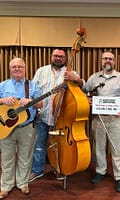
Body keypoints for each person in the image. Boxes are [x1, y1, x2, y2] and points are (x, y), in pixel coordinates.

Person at [0, 58, 42, 199]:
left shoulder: (32, 86)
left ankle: (22, 183)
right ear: (10, 69)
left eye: (20, 66)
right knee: (7, 158)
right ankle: (6, 186)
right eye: (14, 66)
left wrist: (31, 102)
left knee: (25, 157)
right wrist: (2, 100)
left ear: (24, 69)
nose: (17, 69)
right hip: (6, 128)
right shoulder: (3, 85)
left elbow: (41, 104)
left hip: (27, 127)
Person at [29, 48, 84, 182]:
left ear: (65, 59)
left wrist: (76, 79)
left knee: (60, 146)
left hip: (61, 119)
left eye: (61, 56)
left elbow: (84, 87)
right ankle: (37, 171)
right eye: (56, 56)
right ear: (51, 56)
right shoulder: (41, 71)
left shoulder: (71, 73)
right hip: (43, 116)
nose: (58, 58)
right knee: (39, 145)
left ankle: (59, 169)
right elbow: (33, 90)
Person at [85, 51, 120, 193]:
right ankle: (101, 171)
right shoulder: (93, 78)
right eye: (105, 58)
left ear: (114, 61)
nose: (107, 61)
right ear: (101, 61)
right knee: (99, 146)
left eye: (110, 59)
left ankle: (119, 176)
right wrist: (89, 101)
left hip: (115, 119)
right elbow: (85, 94)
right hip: (98, 119)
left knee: (116, 148)